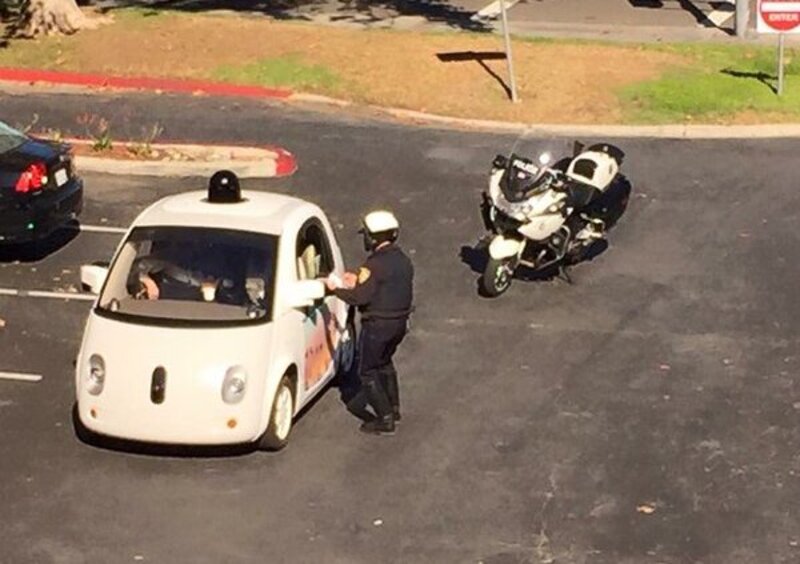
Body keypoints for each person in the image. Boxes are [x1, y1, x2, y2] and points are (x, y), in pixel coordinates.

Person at [325, 210, 414, 435]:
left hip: (378, 326)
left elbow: (360, 298)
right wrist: (357, 280)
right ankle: (394, 408)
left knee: (367, 370)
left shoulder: (373, 265)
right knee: (385, 363)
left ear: (373, 237)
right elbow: (384, 286)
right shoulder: (402, 260)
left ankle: (384, 418)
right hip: (399, 324)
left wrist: (335, 289)